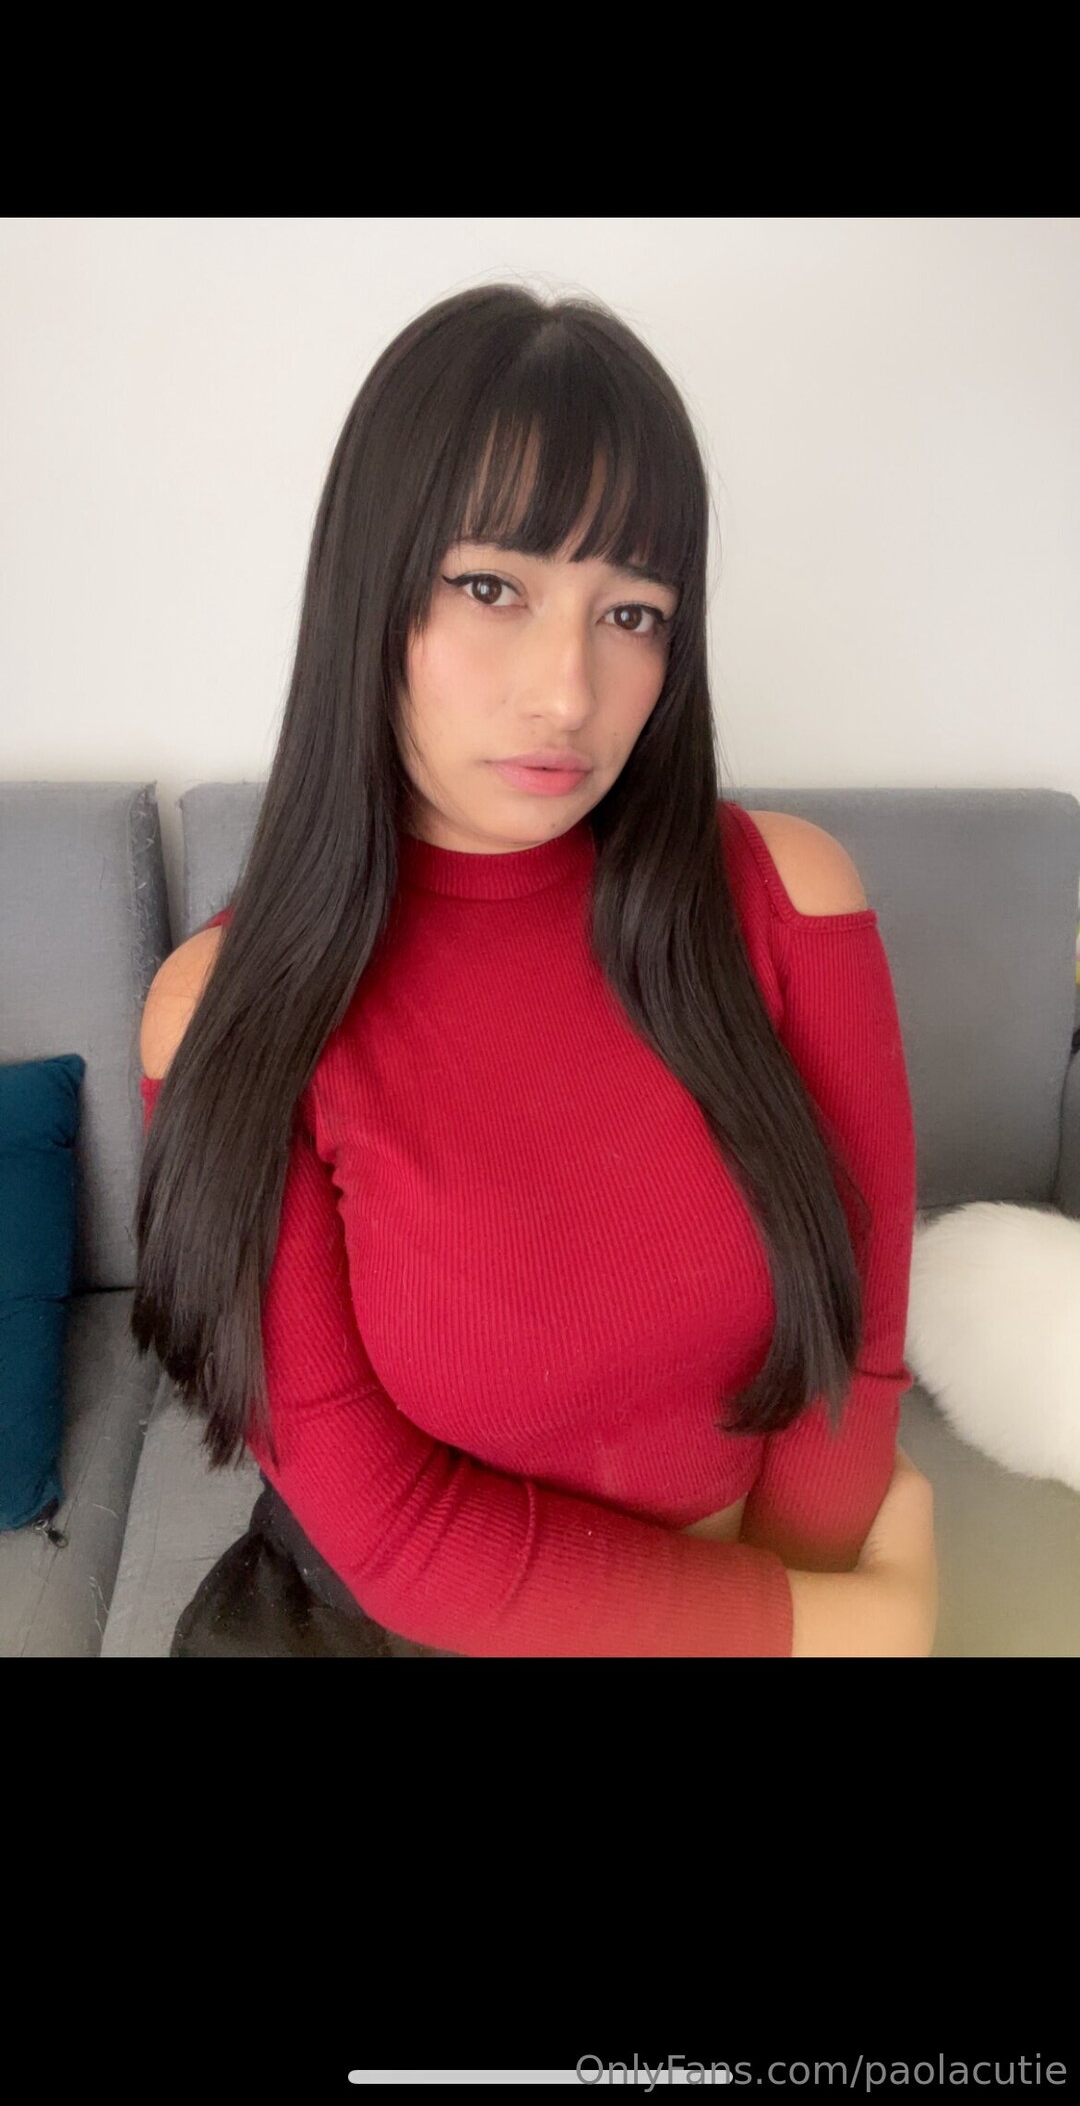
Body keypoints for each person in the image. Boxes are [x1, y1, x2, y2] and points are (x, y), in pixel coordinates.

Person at [134, 282, 938, 1657]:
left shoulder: (790, 899)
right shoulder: (225, 1015)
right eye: (491, 587)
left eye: (633, 612)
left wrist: (806, 1610)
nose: (568, 692)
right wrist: (842, 1628)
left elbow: (853, 1350)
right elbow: (390, 1527)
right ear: (370, 592)